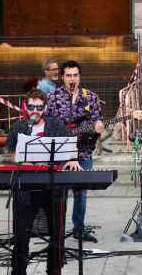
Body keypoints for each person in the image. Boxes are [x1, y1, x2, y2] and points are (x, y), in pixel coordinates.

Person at [6, 89, 81, 275]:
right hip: (25, 188)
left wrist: (72, 158)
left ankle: (54, 270)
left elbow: (71, 146)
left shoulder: (56, 125)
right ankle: (19, 271)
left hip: (52, 186)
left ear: (45, 108)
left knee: (57, 234)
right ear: (25, 107)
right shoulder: (19, 128)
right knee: (21, 235)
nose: (35, 111)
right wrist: (19, 159)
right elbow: (8, 153)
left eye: (39, 107)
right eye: (31, 107)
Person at [45, 60, 104, 243]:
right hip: (61, 153)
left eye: (75, 75)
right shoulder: (53, 97)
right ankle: (57, 229)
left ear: (80, 76)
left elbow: (97, 122)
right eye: (69, 75)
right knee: (58, 192)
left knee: (81, 193)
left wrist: (99, 128)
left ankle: (79, 228)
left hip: (84, 152)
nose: (72, 79)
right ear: (62, 77)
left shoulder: (90, 97)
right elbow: (49, 126)